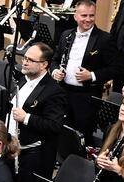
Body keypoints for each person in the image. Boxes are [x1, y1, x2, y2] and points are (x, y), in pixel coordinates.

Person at [4, 42, 67, 182]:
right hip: (14, 149)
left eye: (30, 60)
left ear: (44, 65)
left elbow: (54, 125)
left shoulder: (54, 91)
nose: (25, 62)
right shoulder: (22, 80)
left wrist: (27, 118)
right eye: (25, 58)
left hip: (35, 154)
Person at [50, 0, 117, 146]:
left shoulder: (104, 39)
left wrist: (92, 75)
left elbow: (115, 68)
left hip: (87, 97)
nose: (88, 19)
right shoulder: (66, 34)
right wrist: (55, 71)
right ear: (75, 16)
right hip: (64, 92)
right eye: (84, 15)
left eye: (91, 15)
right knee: (63, 132)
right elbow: (55, 59)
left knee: (83, 137)